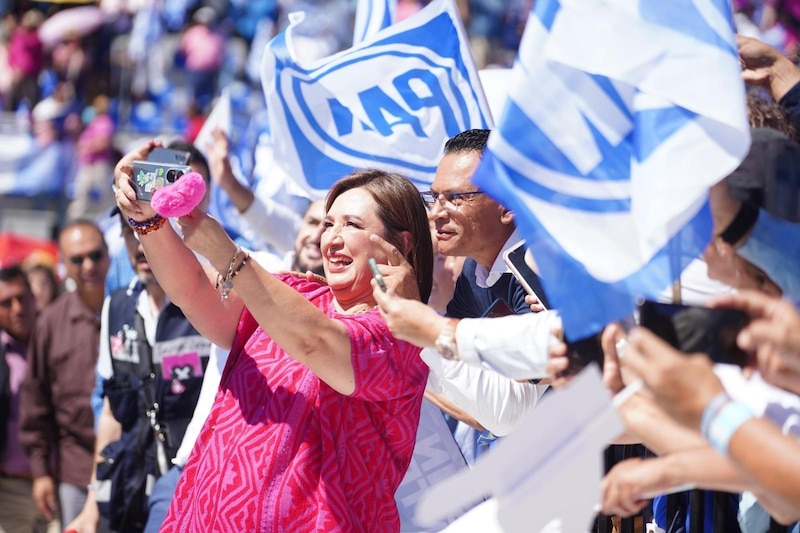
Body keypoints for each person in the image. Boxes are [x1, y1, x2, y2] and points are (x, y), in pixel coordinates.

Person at [113, 140, 434, 531]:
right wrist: (147, 219)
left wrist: (228, 256)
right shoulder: (295, 291)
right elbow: (194, 290)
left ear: (402, 243)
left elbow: (314, 341)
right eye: (328, 223)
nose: (331, 238)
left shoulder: (403, 331)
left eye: (352, 225)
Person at [141, 199, 326, 533]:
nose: (319, 235)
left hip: (278, 505)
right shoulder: (259, 268)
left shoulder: (362, 324)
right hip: (192, 474)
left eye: (336, 226)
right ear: (296, 227)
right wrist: (145, 218)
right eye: (314, 222)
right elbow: (193, 282)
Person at [65, 213, 212, 533]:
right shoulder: (116, 306)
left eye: (153, 230)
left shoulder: (207, 305)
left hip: (192, 485)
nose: (142, 244)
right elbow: (111, 413)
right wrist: (93, 502)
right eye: (131, 232)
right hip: (129, 485)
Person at [19, 219, 110, 528]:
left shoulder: (132, 308)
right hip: (76, 471)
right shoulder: (50, 323)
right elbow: (35, 403)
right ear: (63, 265)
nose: (88, 265)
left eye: (95, 255)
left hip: (130, 468)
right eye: (77, 259)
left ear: (108, 255)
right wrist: (41, 472)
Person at [0, 265, 59, 533]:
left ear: (33, 297)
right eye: (5, 303)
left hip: (58, 483)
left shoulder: (56, 340)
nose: (17, 309)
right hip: (9, 490)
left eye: (21, 298)